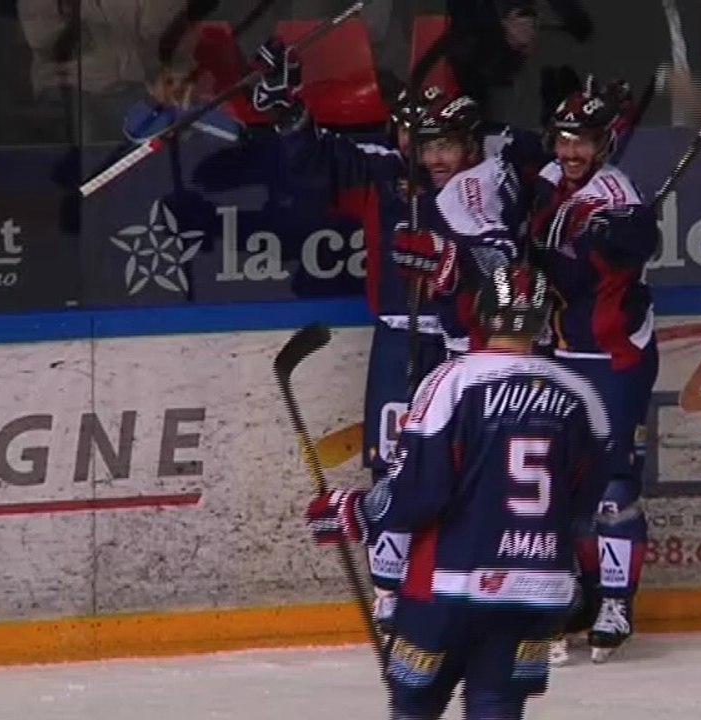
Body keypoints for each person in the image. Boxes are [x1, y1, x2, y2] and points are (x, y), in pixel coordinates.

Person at [251, 39, 527, 633]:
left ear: (471, 143)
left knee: (468, 466)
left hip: (462, 348)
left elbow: (503, 262)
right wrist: (290, 114)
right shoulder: (385, 171)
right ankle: (391, 590)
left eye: (443, 143)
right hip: (399, 339)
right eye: (421, 141)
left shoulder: (489, 182)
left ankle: (473, 582)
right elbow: (316, 161)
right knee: (393, 463)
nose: (431, 156)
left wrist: (454, 259)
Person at [303, 263, 613, 720]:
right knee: (497, 704)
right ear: (545, 318)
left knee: (416, 704)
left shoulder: (451, 382)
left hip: (451, 584)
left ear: (482, 313)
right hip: (538, 588)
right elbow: (584, 505)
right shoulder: (581, 396)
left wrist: (355, 511)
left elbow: (419, 492)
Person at [527, 76, 660, 664]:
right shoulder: (552, 180)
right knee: (560, 484)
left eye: (582, 141)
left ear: (605, 144)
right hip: (558, 352)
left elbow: (635, 245)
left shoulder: (619, 197)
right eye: (563, 139)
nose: (569, 152)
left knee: (612, 487)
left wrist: (607, 236)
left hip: (614, 357)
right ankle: (576, 595)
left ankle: (616, 600)